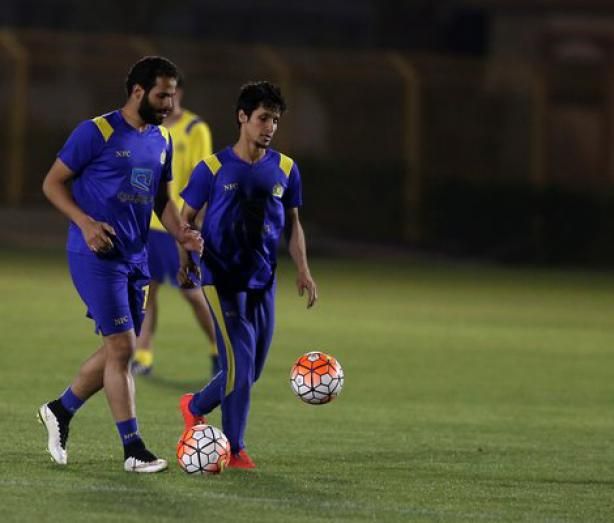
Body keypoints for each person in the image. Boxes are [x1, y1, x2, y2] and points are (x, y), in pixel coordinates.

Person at [38, 56, 203, 473]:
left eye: (172, 95)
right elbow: (52, 183)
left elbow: (162, 200)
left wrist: (182, 233)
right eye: (162, 95)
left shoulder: (162, 139)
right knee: (123, 348)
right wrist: (85, 223)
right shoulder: (96, 132)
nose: (169, 103)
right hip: (95, 255)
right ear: (137, 91)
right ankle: (133, 449)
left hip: (136, 257)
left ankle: (60, 409)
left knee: (118, 350)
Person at [178, 81, 318, 469]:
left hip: (263, 282)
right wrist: (186, 260)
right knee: (238, 369)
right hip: (221, 280)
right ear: (242, 117)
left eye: (275, 120)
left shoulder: (286, 169)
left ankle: (195, 405)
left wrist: (303, 269)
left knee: (249, 372)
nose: (270, 127)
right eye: (263, 118)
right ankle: (235, 448)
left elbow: (293, 223)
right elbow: (185, 220)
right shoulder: (212, 169)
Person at [132, 75, 218, 377]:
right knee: (147, 290)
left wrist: (197, 224)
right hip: (148, 224)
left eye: (168, 94)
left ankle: (218, 347)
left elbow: (203, 178)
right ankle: (143, 354)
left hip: (178, 223)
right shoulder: (150, 128)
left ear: (177, 92)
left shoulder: (195, 129)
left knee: (192, 291)